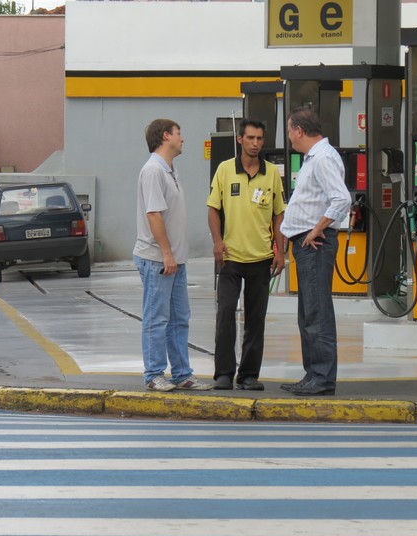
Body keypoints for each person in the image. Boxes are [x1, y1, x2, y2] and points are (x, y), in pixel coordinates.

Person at [133, 118, 212, 392]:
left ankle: (181, 373)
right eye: (179, 133)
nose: (183, 139)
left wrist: (175, 256)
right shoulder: (153, 170)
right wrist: (166, 254)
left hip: (174, 260)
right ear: (166, 136)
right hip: (158, 259)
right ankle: (154, 374)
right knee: (156, 318)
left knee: (179, 318)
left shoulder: (169, 170)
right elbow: (153, 214)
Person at [207, 119, 286, 391]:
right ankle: (224, 373)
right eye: (250, 138)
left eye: (260, 139)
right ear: (240, 139)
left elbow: (279, 214)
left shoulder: (272, 173)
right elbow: (213, 209)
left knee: (256, 318)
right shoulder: (225, 170)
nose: (255, 143)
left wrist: (280, 251)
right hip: (230, 257)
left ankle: (249, 374)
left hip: (261, 258)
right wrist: (217, 242)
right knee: (226, 314)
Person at [279, 107, 351, 396]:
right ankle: (313, 374)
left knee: (317, 312)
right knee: (308, 313)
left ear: (299, 130)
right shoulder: (316, 157)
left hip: (314, 245)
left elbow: (341, 199)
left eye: (289, 131)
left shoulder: (321, 158)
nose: (289, 138)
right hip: (306, 243)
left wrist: (317, 228)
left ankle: (321, 377)